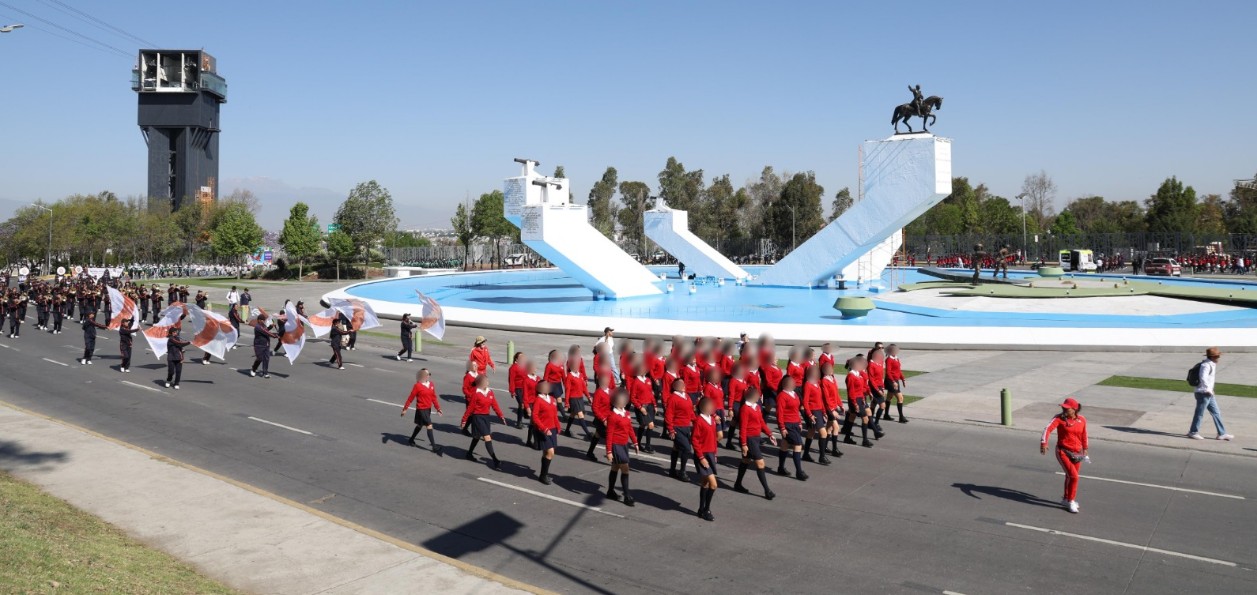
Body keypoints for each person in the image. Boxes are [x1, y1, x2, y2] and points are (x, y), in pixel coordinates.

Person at [1040, 397, 1089, 514]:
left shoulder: (1082, 420)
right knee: (1074, 477)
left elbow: (1084, 434)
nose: (1064, 409)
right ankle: (1071, 501)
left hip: (1077, 453)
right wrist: (1043, 443)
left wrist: (1085, 448)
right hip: (1063, 452)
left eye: (1067, 408)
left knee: (1070, 476)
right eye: (1063, 407)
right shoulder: (1059, 418)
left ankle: (1066, 498)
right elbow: (1047, 429)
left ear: (1075, 409)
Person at [733, 387, 777, 500]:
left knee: (745, 461)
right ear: (754, 396)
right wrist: (743, 444)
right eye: (758, 396)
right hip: (749, 439)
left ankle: (737, 484)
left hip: (756, 438)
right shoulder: (745, 409)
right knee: (760, 463)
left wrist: (770, 434)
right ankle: (767, 490)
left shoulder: (757, 407)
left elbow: (761, 422)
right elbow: (742, 427)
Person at [1189, 347, 1233, 441]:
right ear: (1214, 357)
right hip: (1203, 393)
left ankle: (1222, 433)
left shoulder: (1211, 364)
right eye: (1218, 356)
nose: (1218, 358)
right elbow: (1203, 378)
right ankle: (1193, 432)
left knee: (1216, 412)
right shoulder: (1206, 365)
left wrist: (1210, 390)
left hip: (1208, 393)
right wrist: (1208, 389)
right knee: (1199, 413)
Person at [462, 375, 505, 469]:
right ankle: (495, 460)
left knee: (477, 437)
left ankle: (469, 453)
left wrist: (500, 416)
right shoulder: (476, 393)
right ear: (481, 383)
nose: (488, 383)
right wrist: (464, 420)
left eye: (487, 381)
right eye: (486, 381)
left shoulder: (490, 392)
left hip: (486, 417)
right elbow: (470, 408)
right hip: (477, 418)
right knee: (487, 437)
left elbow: (495, 405)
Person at [604, 389, 638, 506]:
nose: (622, 401)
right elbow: (609, 434)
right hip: (616, 445)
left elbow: (630, 429)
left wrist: (635, 442)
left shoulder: (627, 414)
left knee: (615, 467)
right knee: (625, 468)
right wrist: (608, 451)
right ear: (614, 401)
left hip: (624, 445)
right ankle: (627, 496)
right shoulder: (612, 416)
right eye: (620, 400)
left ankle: (610, 491)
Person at [401, 368, 442, 454]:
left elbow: (433, 397)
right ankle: (434, 447)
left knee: (420, 425)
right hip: (421, 409)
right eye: (427, 374)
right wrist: (405, 409)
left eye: (429, 374)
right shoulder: (417, 386)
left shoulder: (431, 384)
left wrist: (438, 408)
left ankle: (411, 439)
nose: (429, 376)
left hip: (428, 409)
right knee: (429, 425)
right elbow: (410, 398)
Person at [691, 396, 720, 521]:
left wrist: (715, 453)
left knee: (705, 483)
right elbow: (695, 440)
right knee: (713, 484)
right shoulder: (699, 421)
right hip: (703, 455)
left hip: (710, 454)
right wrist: (701, 457)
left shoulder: (712, 420)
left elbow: (713, 438)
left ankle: (701, 508)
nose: (712, 408)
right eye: (709, 406)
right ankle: (707, 509)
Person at [775, 376, 808, 480]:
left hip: (795, 423)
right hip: (787, 424)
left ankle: (781, 468)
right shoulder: (782, 396)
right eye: (792, 382)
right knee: (798, 445)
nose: (794, 384)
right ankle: (799, 472)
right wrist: (782, 427)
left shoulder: (794, 394)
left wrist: (799, 422)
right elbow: (779, 413)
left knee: (785, 445)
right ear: (786, 384)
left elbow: (796, 410)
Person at [665, 378, 696, 482]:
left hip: (686, 427)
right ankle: (682, 471)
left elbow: (691, 412)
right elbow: (669, 414)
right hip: (677, 427)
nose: (683, 385)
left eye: (683, 383)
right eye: (680, 384)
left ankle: (672, 470)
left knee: (676, 448)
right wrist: (670, 429)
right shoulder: (673, 398)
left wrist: (696, 422)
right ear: (675, 386)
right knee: (687, 449)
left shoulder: (686, 396)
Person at [800, 366, 832, 465]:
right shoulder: (808, 384)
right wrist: (809, 414)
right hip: (813, 411)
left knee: (811, 432)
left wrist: (823, 412)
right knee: (823, 433)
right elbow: (805, 401)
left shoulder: (817, 384)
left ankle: (805, 454)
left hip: (818, 410)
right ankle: (822, 456)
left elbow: (820, 399)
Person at [531, 380, 560, 484]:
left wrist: (558, 425)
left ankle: (543, 474)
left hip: (552, 429)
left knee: (547, 452)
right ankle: (543, 476)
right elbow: (534, 417)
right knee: (550, 452)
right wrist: (544, 429)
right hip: (543, 429)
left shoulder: (552, 399)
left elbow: (554, 414)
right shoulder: (538, 400)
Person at [841, 355, 874, 448]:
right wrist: (855, 404)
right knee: (865, 418)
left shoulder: (857, 374)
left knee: (852, 417)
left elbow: (860, 389)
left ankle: (847, 437)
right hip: (855, 400)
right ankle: (865, 440)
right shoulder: (851, 376)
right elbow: (851, 392)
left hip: (859, 399)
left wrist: (865, 396)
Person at [587, 374, 613, 461]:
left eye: (608, 380)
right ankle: (611, 454)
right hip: (602, 419)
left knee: (597, 434)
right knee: (610, 436)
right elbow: (595, 408)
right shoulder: (599, 392)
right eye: (605, 380)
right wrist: (603, 419)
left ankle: (590, 452)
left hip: (609, 418)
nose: (607, 381)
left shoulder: (610, 391)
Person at [883, 344, 909, 423]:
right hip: (891, 381)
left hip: (895, 380)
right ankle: (901, 417)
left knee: (889, 397)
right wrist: (893, 382)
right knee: (900, 398)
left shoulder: (896, 359)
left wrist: (903, 379)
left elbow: (898, 370)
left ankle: (886, 415)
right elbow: (888, 372)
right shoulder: (889, 360)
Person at [250, 312, 278, 378]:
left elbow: (266, 330)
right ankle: (254, 369)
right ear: (259, 320)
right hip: (259, 345)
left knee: (266, 358)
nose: (263, 321)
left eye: (264, 320)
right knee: (259, 358)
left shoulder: (263, 326)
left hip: (266, 345)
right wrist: (275, 336)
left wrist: (271, 326)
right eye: (262, 320)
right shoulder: (258, 327)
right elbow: (266, 332)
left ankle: (265, 372)